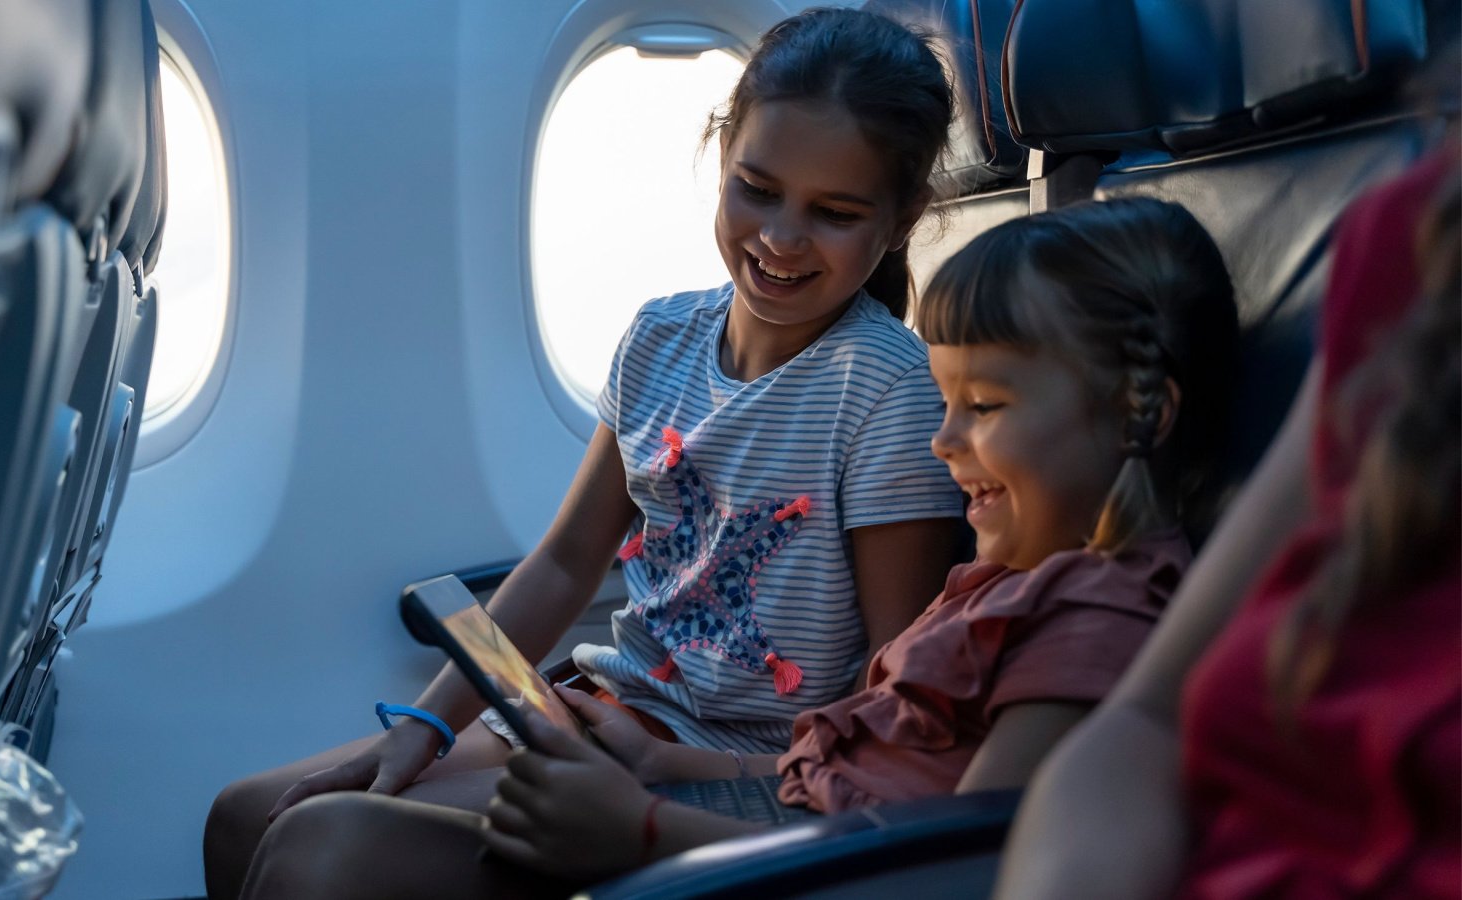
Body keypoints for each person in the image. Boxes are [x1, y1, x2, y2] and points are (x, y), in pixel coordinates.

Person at [237, 195, 1241, 899]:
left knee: (324, 851)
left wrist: (639, 829)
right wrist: (659, 758)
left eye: (981, 409)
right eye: (945, 405)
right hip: (728, 804)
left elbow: (957, 860)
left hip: (789, 867)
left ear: (1135, 418)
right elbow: (859, 756)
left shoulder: (1094, 620)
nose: (942, 444)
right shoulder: (1007, 578)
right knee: (256, 818)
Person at [203, 9, 964, 897]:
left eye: (833, 213)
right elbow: (565, 563)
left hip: (733, 771)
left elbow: (890, 697)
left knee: (322, 850)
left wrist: (676, 771)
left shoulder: (885, 391)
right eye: (757, 189)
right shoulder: (660, 338)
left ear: (904, 216)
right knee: (242, 816)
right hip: (597, 711)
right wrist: (423, 726)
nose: (781, 238)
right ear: (722, 161)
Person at [994, 149, 1460, 898]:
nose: (937, 438)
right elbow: (1146, 722)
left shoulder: (1094, 604)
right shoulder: (1417, 251)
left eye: (982, 407)